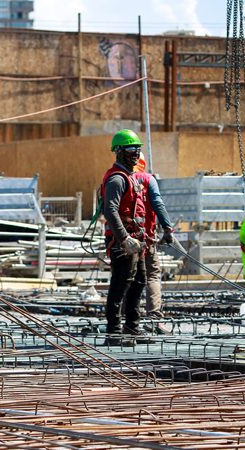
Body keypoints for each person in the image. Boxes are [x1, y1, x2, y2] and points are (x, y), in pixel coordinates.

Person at [100, 130, 150, 346]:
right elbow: (110, 211)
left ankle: (132, 327)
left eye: (137, 149)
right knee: (120, 283)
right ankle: (113, 331)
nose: (135, 153)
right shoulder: (117, 179)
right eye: (130, 149)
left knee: (139, 281)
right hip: (123, 241)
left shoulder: (130, 176)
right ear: (119, 152)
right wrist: (124, 239)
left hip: (136, 240)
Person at [133, 153, 174, 334]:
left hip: (122, 240)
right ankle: (154, 319)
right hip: (145, 238)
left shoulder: (116, 177)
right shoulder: (148, 179)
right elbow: (158, 203)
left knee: (125, 277)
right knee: (152, 275)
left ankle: (125, 320)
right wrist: (167, 229)